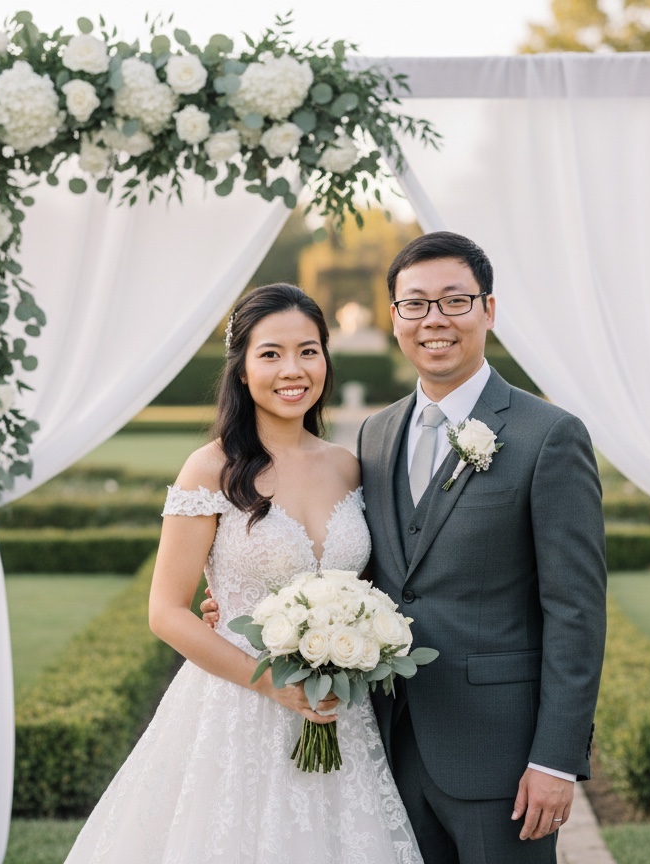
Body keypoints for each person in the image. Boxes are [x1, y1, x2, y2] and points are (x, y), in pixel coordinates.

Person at [205, 233, 608, 863]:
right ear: (394, 317)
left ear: (489, 311)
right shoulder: (376, 435)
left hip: (500, 758)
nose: (434, 321)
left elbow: (576, 609)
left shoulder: (548, 436)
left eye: (454, 301)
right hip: (382, 746)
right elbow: (355, 569)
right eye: (415, 304)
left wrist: (555, 758)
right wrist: (242, 604)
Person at [63, 283, 422, 863]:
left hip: (338, 713)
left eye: (309, 350)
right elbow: (167, 612)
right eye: (271, 353)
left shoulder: (349, 467)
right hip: (235, 712)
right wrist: (275, 684)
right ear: (242, 368)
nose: (293, 369)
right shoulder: (210, 470)